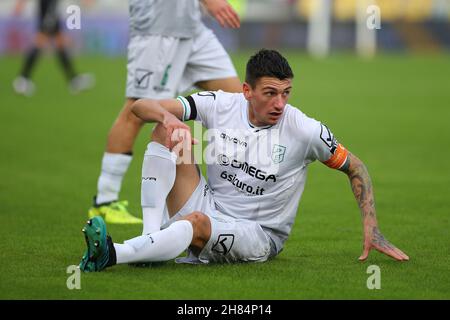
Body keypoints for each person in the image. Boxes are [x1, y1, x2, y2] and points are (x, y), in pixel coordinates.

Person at [78, 49, 409, 272]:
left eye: (286, 92)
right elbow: (141, 106)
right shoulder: (221, 103)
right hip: (209, 201)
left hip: (258, 233)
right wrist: (170, 120)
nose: (280, 103)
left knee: (196, 224)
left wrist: (372, 227)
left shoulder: (306, 130)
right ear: (247, 91)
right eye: (270, 93)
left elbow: (356, 166)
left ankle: (115, 254)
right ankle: (150, 238)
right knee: (166, 132)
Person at [87, 0, 242, 224]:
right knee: (137, 109)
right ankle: (104, 201)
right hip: (158, 27)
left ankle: (236, 196)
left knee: (236, 100)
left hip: (192, 27)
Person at [12, 0, 94, 96]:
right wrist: (21, 3)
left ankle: (73, 79)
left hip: (52, 5)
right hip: (48, 5)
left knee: (59, 41)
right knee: (41, 39)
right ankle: (22, 78)